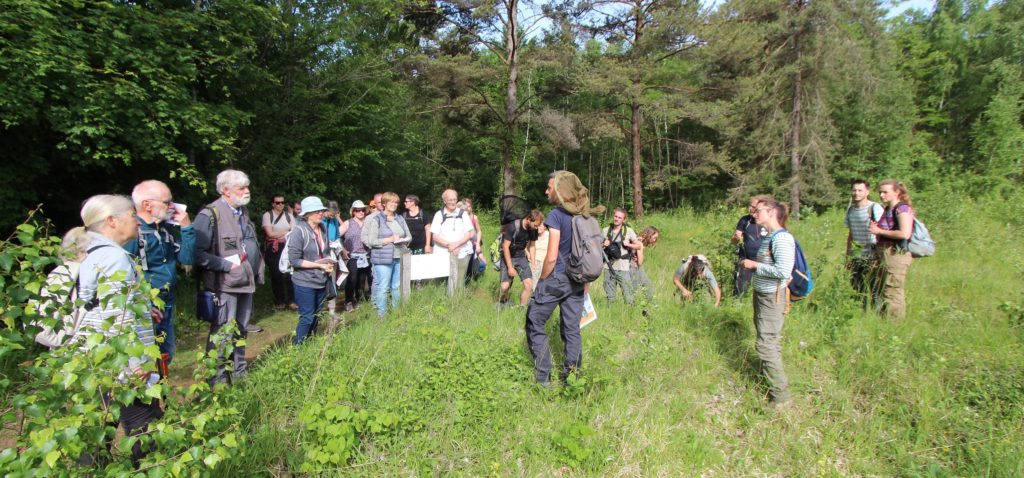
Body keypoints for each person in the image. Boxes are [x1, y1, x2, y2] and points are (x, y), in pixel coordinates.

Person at [71, 194, 162, 461]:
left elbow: (101, 305)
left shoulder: (95, 253)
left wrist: (144, 308)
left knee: (99, 428)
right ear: (112, 220)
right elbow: (116, 315)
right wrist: (135, 364)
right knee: (145, 430)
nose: (137, 222)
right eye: (133, 216)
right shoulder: (114, 258)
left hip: (100, 358)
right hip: (121, 363)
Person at [525, 171, 605, 386]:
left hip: (557, 279)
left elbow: (551, 257)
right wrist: (586, 282)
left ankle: (543, 379)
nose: (546, 191)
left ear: (560, 191)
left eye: (549, 188)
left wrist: (541, 281)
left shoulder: (556, 216)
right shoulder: (584, 215)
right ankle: (572, 379)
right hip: (578, 281)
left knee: (534, 322)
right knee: (571, 331)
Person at [195, 169, 263, 385]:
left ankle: (239, 372)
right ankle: (216, 378)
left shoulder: (243, 212)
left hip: (245, 282)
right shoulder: (209, 215)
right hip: (224, 284)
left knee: (241, 328)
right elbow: (197, 254)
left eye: (246, 186)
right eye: (241, 188)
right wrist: (225, 265)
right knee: (223, 331)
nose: (247, 191)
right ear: (225, 190)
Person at [124, 180, 195, 366]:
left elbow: (187, 258)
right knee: (145, 361)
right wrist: (143, 303)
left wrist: (187, 228)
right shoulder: (133, 234)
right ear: (147, 204)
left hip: (167, 302)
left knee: (166, 354)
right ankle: (151, 394)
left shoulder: (165, 230)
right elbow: (124, 274)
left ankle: (161, 394)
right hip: (145, 307)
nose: (172, 206)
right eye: (167, 202)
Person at [739, 199, 794, 407]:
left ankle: (781, 398)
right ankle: (770, 381)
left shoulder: (781, 239)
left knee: (766, 345)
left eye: (759, 210)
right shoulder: (769, 236)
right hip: (762, 295)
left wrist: (754, 264)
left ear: (772, 212)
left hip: (772, 298)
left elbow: (783, 272)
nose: (754, 212)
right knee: (767, 340)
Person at [288, 197, 334, 344]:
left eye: (321, 210)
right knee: (307, 317)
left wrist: (328, 263)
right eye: (316, 211)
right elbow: (294, 260)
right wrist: (319, 265)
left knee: (317, 315)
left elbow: (324, 251)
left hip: (321, 279)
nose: (320, 213)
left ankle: (309, 344)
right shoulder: (299, 231)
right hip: (304, 281)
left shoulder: (323, 229)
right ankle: (297, 348)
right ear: (307, 214)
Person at [868, 179, 915, 320]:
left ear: (897, 192)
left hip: (896, 254)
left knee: (892, 290)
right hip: (884, 252)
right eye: (880, 192)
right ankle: (883, 320)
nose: (882, 195)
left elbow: (905, 233)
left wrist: (879, 231)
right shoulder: (888, 209)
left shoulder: (902, 209)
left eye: (885, 192)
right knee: (881, 288)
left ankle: (894, 325)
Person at [361, 192, 411, 317]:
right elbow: (371, 241)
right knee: (383, 287)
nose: (394, 205)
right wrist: (388, 240)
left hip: (399, 256)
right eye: (391, 202)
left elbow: (409, 236)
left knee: (396, 286)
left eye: (396, 202)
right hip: (382, 259)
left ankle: (396, 313)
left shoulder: (399, 218)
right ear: (384, 204)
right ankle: (381, 315)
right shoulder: (376, 220)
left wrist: (403, 240)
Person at [428, 189, 476, 295]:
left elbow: (469, 233)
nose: (453, 202)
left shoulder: (463, 214)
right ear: (444, 201)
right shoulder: (439, 215)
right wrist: (449, 245)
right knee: (440, 281)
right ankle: (440, 304)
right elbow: (435, 236)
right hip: (442, 253)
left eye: (454, 199)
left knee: (459, 281)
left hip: (462, 252)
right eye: (450, 200)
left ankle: (456, 305)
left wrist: (456, 244)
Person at [845, 179, 884, 302]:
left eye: (860, 190)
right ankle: (860, 313)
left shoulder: (874, 208)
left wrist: (879, 255)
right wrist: (848, 256)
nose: (856, 193)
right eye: (854, 190)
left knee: (874, 289)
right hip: (856, 255)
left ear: (867, 192)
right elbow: (851, 234)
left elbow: (882, 231)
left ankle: (877, 316)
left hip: (872, 255)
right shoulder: (850, 210)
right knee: (856, 288)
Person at [499, 209, 543, 306]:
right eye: (535, 225)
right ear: (528, 219)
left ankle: (521, 308)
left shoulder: (533, 230)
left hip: (521, 257)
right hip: (508, 256)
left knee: (529, 285)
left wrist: (533, 263)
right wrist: (510, 267)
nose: (537, 228)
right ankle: (503, 302)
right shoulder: (513, 226)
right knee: (504, 287)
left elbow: (532, 246)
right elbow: (505, 246)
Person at [732, 194, 773, 297]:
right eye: (750, 206)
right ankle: (738, 305)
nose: (750, 209)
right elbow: (734, 241)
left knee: (763, 290)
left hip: (764, 262)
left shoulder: (768, 222)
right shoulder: (745, 220)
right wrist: (736, 238)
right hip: (746, 260)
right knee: (740, 289)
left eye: (754, 207)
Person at [262, 194, 296, 311]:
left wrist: (280, 233)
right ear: (273, 204)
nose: (280, 204)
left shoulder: (289, 216)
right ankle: (280, 300)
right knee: (276, 275)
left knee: (290, 274)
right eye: (277, 202)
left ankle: (292, 300)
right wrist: (285, 232)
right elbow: (269, 234)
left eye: (282, 202)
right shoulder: (268, 215)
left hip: (287, 246)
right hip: (274, 248)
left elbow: (294, 231)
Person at [602, 208, 641, 304]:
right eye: (615, 216)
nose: (617, 219)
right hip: (608, 267)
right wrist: (603, 244)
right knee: (610, 297)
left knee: (628, 297)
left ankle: (630, 314)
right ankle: (611, 313)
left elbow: (639, 246)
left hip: (623, 268)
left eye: (619, 218)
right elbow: (596, 248)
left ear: (624, 220)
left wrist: (629, 244)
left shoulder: (628, 231)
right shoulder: (605, 231)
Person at [339, 200, 371, 312]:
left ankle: (359, 300)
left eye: (362, 210)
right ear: (353, 212)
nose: (361, 212)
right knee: (352, 279)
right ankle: (348, 301)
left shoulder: (368, 222)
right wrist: (343, 249)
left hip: (366, 255)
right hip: (352, 255)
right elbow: (336, 236)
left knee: (362, 280)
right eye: (358, 210)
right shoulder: (348, 223)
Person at [321, 200, 343, 317]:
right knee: (320, 280)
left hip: (332, 253)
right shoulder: (319, 220)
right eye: (330, 213)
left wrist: (337, 244)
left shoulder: (334, 220)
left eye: (334, 214)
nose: (332, 216)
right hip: (320, 255)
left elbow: (338, 235)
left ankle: (331, 310)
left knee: (332, 280)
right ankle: (318, 308)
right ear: (325, 210)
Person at [458, 198, 486, 282]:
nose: (468, 208)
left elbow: (479, 231)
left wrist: (477, 244)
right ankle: (465, 279)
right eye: (466, 206)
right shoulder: (459, 217)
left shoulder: (474, 217)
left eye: (469, 206)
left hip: (473, 243)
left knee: (482, 263)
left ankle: (474, 277)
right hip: (463, 244)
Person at [632, 226, 660, 301]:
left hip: (636, 267)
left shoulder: (639, 241)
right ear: (649, 235)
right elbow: (640, 262)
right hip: (633, 268)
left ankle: (649, 303)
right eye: (654, 237)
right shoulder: (639, 242)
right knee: (637, 289)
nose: (655, 240)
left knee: (646, 287)